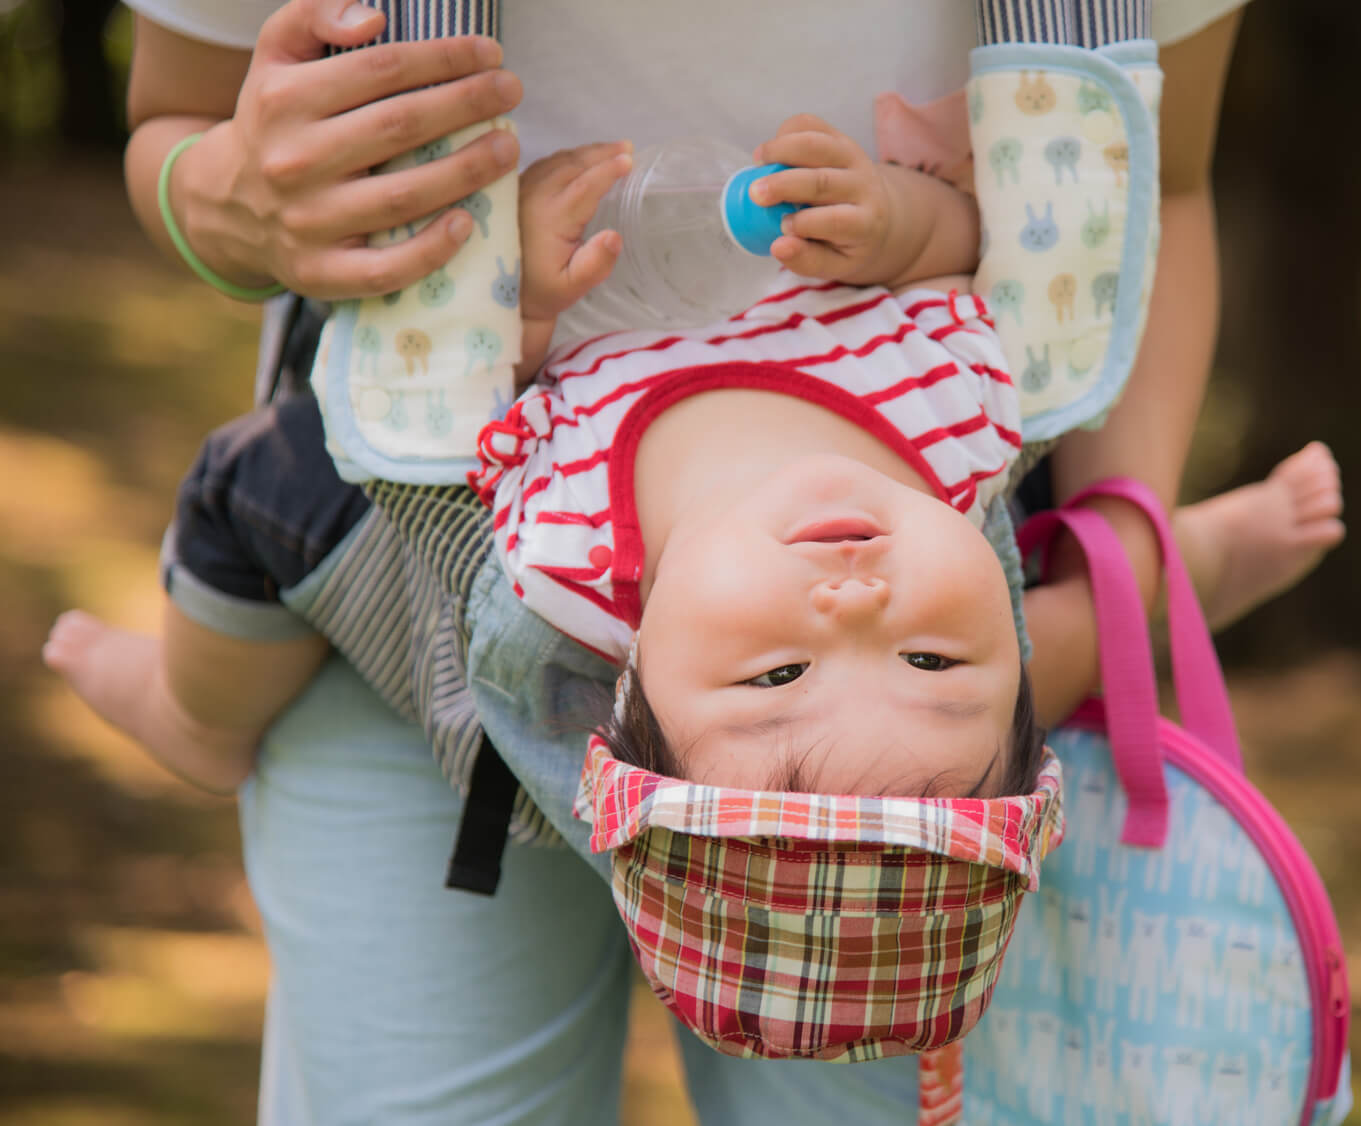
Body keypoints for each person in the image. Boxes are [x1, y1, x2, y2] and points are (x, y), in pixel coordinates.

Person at [94, 0, 1290, 1121]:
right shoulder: (953, 416)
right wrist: (910, 224)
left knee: (271, 509)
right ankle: (1166, 585)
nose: (854, 596)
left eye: (783, 671)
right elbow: (1010, 269)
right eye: (923, 653)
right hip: (893, 666)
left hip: (480, 594)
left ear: (630, 665)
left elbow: (451, 434)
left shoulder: (560, 550)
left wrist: (506, 293)